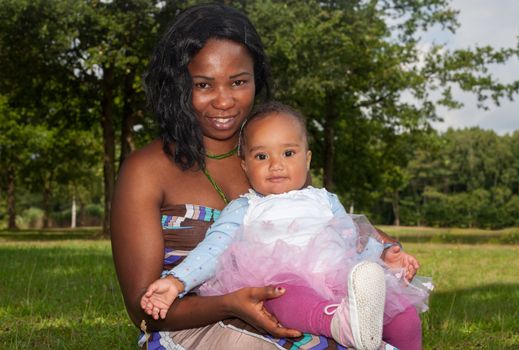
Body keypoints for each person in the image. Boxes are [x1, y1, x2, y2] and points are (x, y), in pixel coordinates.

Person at [111, 3, 424, 350]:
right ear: (178, 85)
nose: (224, 101)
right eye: (203, 84)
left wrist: (387, 252)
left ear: (256, 80)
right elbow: (143, 310)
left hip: (299, 316)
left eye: (238, 82)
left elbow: (336, 229)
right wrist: (229, 303)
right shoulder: (146, 169)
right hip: (198, 331)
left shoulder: (272, 156)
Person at [140, 102, 432, 350]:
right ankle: (341, 324)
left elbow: (351, 239)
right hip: (286, 284)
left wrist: (384, 254)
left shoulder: (325, 200)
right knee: (282, 294)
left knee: (404, 315)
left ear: (307, 159)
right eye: (261, 156)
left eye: (288, 153)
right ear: (245, 165)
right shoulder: (245, 207)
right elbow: (213, 249)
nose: (276, 165)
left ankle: (388, 336)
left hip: (339, 282)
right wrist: (176, 281)